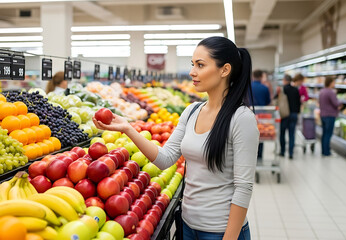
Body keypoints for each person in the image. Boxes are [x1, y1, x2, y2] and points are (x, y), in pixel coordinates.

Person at [93, 36, 258, 240]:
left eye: (200, 65)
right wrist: (127, 128)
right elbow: (165, 158)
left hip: (220, 231)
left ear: (224, 70)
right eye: (192, 64)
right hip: (187, 226)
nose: (192, 72)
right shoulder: (191, 112)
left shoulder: (241, 119)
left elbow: (244, 187)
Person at [279, 74, 301, 159]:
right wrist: (297, 112)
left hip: (284, 114)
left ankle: (282, 151)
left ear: (284, 80)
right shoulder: (295, 89)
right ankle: (291, 153)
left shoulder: (283, 89)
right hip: (294, 114)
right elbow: (299, 103)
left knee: (282, 133)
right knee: (292, 134)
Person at [251, 69, 271, 161]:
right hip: (262, 115)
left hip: (249, 114)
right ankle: (259, 157)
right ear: (261, 76)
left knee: (249, 136)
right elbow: (268, 102)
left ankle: (250, 157)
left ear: (253, 76)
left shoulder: (248, 87)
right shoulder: (265, 88)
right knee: (261, 135)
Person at [319, 76, 341, 156]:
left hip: (323, 115)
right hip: (330, 115)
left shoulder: (322, 91)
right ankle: (327, 152)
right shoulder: (331, 92)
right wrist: (340, 102)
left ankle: (323, 150)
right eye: (334, 82)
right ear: (330, 83)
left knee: (324, 133)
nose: (334, 84)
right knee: (328, 134)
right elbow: (336, 103)